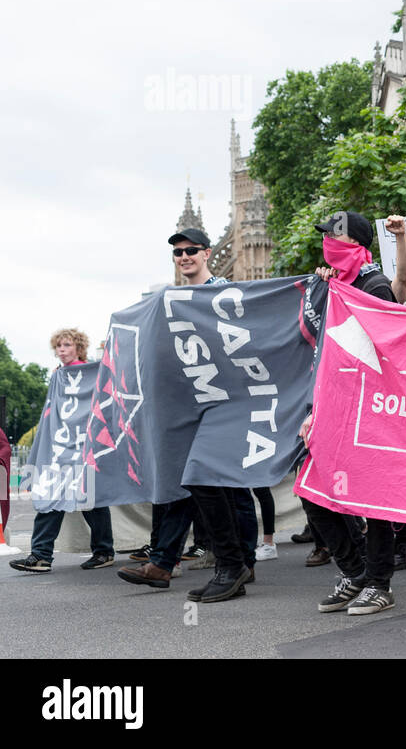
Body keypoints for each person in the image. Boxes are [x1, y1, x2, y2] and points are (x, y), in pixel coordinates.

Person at [119, 228, 258, 603]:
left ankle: (238, 562)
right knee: (194, 481)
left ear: (207, 253)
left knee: (230, 488)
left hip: (225, 403)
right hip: (188, 407)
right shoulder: (169, 299)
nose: (184, 257)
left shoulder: (225, 293)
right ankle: (178, 563)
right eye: (178, 253)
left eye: (191, 250)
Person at [300, 211, 401, 616]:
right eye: (326, 236)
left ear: (359, 244)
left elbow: (391, 347)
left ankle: (379, 584)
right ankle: (355, 571)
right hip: (332, 406)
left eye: (336, 236)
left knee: (374, 500)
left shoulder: (374, 286)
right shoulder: (332, 287)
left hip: (370, 407)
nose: (328, 243)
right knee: (311, 489)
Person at [10, 328, 115, 574]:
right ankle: (42, 554)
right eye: (58, 346)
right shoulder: (58, 376)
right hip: (61, 448)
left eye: (67, 345)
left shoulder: (90, 373)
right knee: (52, 498)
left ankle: (101, 551)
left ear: (79, 347)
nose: (62, 350)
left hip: (82, 446)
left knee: (91, 501)